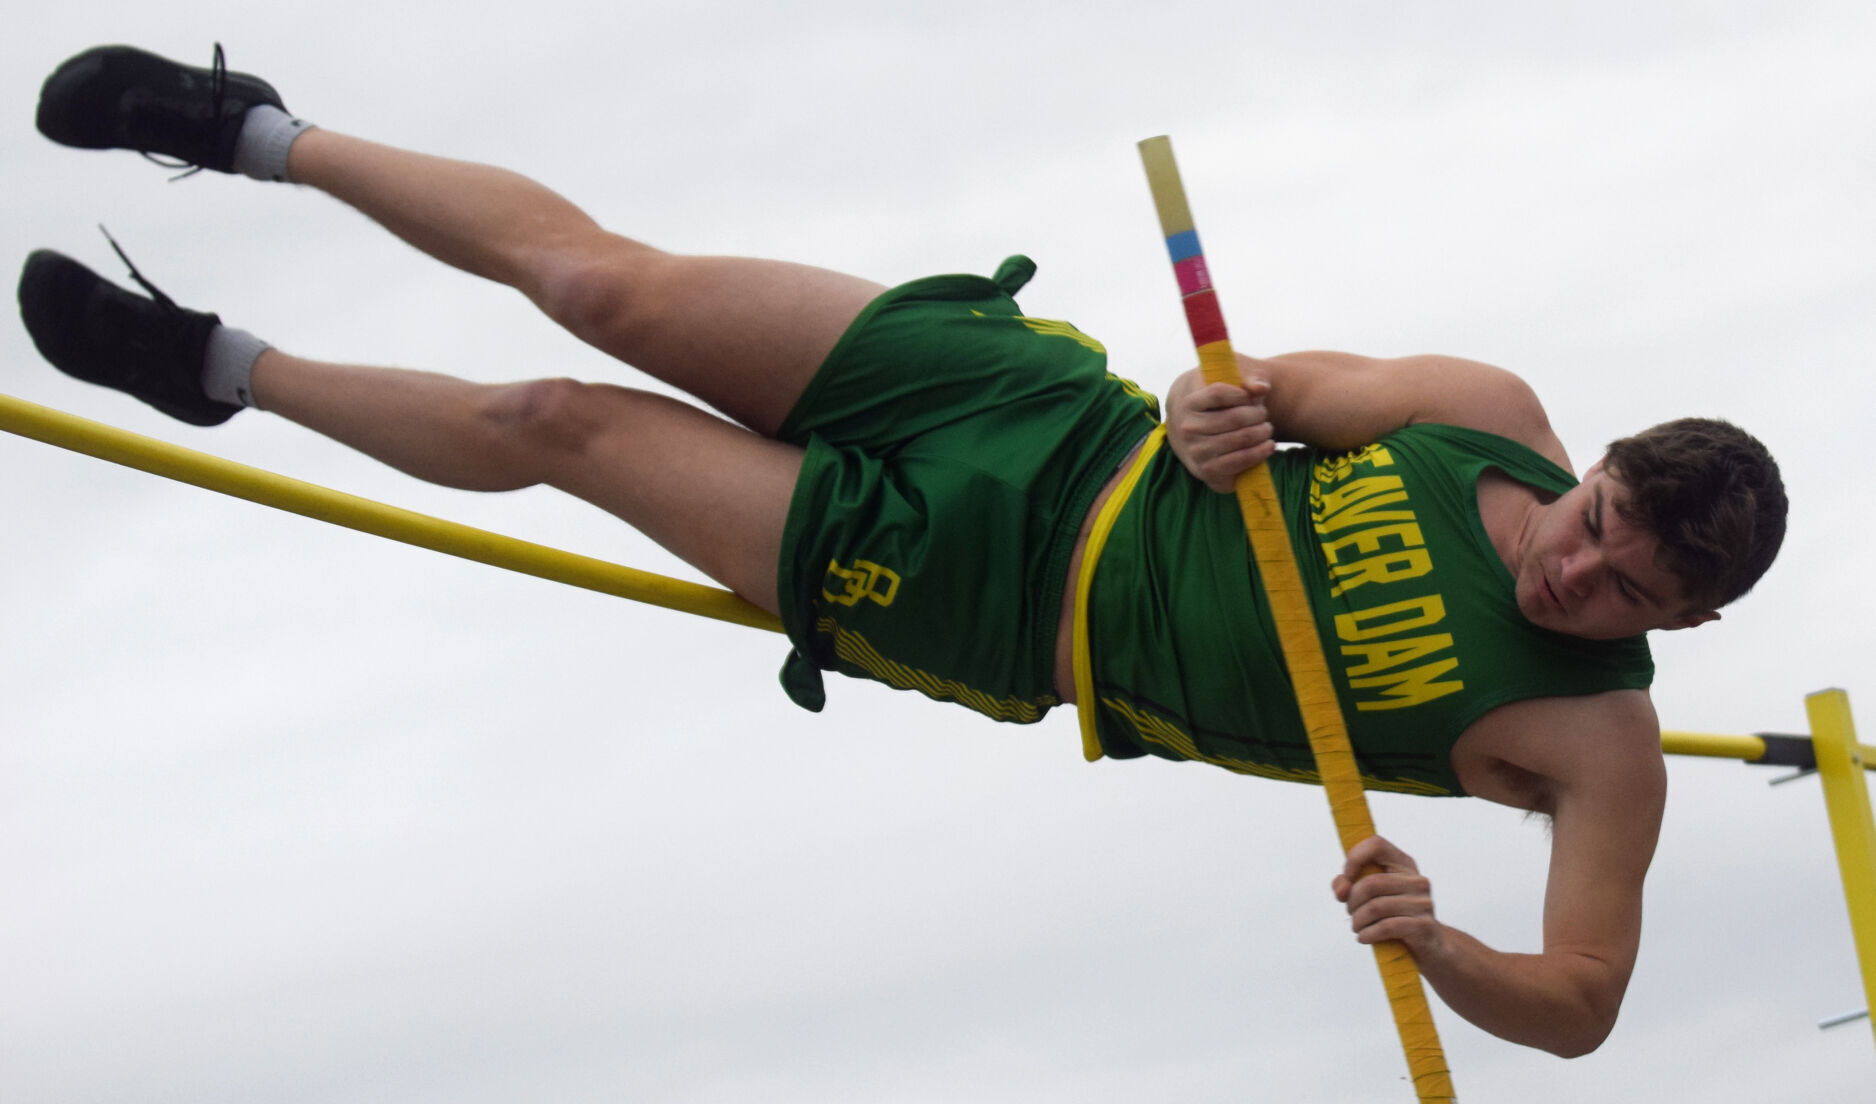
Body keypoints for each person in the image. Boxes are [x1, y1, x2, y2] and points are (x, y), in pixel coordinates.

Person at [17, 44, 1786, 1060]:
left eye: (1630, 590)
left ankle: (215, 369)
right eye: (1595, 524)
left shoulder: (1590, 751)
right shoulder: (1484, 407)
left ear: (1683, 624)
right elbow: (1263, 382)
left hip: (996, 603)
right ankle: (248, 130)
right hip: (1039, 418)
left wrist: (1441, 944)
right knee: (600, 285)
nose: (1577, 574)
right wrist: (1206, 412)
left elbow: (1580, 1008)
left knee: (560, 423)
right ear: (1601, 463)